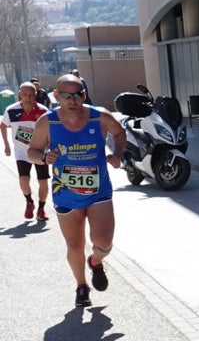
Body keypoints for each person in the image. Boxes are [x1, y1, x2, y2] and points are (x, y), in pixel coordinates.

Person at [27, 73, 126, 307]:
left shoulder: (99, 117)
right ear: (56, 96)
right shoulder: (47, 122)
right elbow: (33, 151)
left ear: (84, 94)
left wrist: (117, 154)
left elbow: (120, 132)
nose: (73, 100)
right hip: (65, 193)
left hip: (99, 191)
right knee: (74, 245)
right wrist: (43, 157)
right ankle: (82, 286)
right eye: (66, 95)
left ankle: (95, 261)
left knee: (104, 243)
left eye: (78, 94)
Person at [1, 81, 50, 221]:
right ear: (19, 95)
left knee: (43, 181)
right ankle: (29, 201)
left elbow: (51, 130)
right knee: (23, 179)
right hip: (21, 152)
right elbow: (3, 126)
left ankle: (41, 208)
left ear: (35, 95)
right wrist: (7, 145)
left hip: (40, 151)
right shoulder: (11, 110)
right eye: (25, 94)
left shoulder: (43, 111)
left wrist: (51, 145)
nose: (28, 97)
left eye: (31, 94)